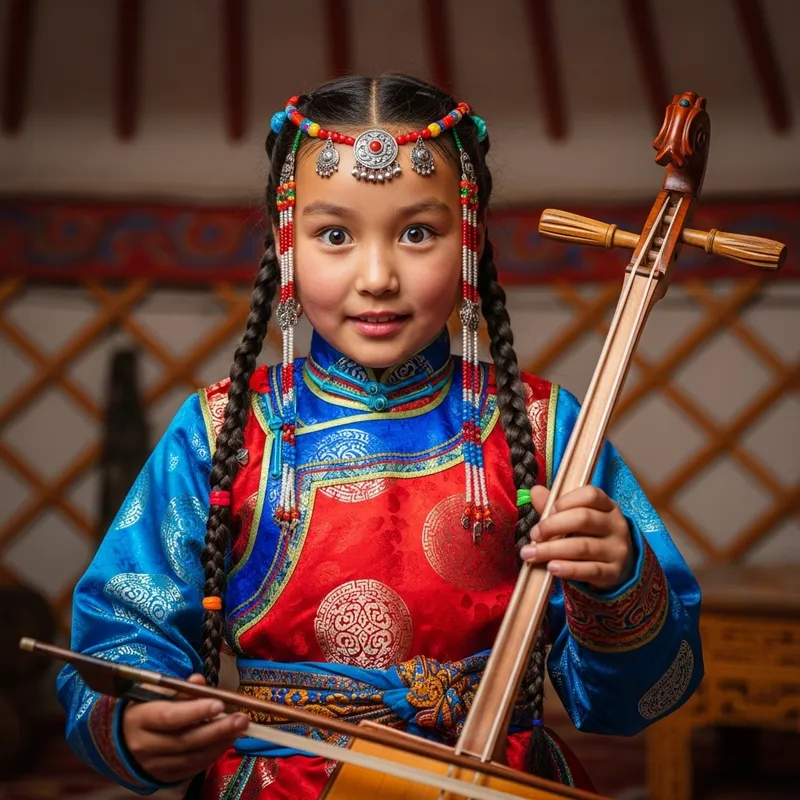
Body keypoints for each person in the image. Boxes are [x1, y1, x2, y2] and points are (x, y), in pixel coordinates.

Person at [58, 74, 703, 799]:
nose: (376, 277)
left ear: (472, 238)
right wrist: (138, 722)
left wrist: (618, 582)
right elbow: (119, 635)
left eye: (418, 233)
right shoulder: (223, 432)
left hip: (500, 782)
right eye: (334, 235)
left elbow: (642, 700)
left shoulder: (547, 428)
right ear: (285, 244)